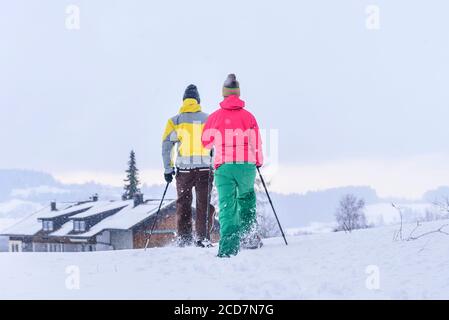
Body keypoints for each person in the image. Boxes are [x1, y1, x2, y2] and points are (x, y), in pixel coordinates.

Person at [201, 74, 264, 257]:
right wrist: (258, 161)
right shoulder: (249, 117)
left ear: (224, 95)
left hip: (224, 167)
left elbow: (205, 142)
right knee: (246, 199)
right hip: (246, 165)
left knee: (227, 205)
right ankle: (249, 238)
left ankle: (228, 248)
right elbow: (256, 143)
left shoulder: (215, 117)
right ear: (238, 94)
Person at [162, 84, 215, 247]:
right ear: (198, 101)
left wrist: (168, 168)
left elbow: (166, 145)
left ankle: (184, 238)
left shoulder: (175, 121)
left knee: (183, 203)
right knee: (203, 204)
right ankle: (202, 238)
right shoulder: (208, 119)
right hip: (205, 170)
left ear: (184, 100)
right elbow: (214, 142)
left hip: (184, 171)